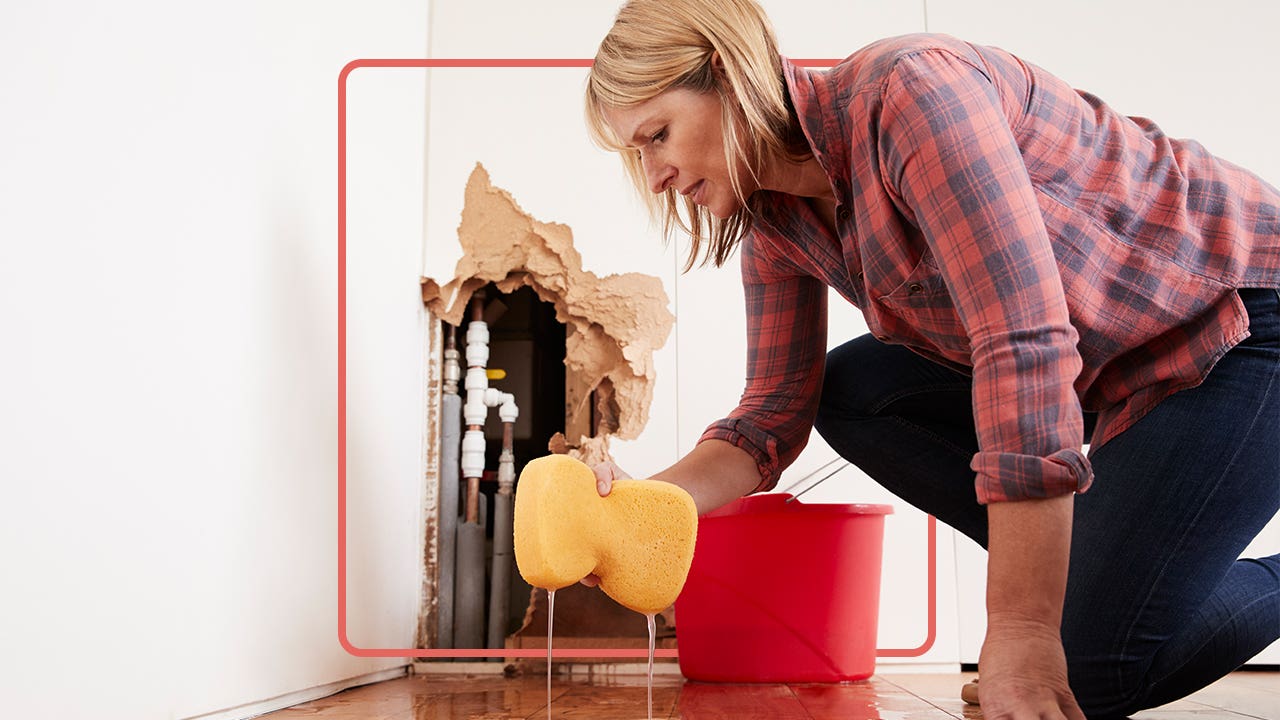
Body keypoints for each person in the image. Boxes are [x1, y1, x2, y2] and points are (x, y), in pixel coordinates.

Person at [578, 0, 1280, 717]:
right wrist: (639, 508)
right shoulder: (774, 225)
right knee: (851, 391)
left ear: (727, 76)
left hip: (1241, 323)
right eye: (638, 153)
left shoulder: (910, 93)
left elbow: (1023, 342)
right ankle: (1076, 592)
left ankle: (1065, 614)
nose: (655, 175)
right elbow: (770, 419)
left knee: (1088, 674)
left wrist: (1022, 629)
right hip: (1117, 374)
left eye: (657, 135)